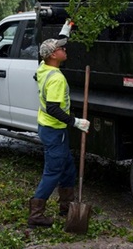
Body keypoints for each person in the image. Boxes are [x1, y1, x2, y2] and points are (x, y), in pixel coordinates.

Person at [28, 35, 90, 228]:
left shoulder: (43, 67)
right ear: (54, 55)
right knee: (53, 171)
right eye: (61, 48)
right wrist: (75, 122)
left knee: (68, 168)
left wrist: (64, 32)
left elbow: (45, 54)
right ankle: (36, 214)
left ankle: (66, 206)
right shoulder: (56, 78)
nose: (65, 50)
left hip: (51, 129)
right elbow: (53, 108)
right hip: (54, 129)